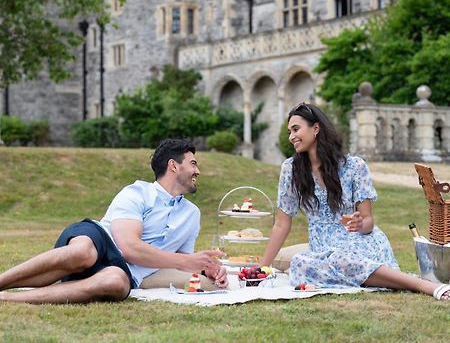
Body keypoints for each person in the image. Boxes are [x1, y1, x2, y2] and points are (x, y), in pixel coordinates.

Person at [0, 139, 228, 304]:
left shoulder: (192, 214)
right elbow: (128, 247)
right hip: (100, 239)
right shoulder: (137, 192)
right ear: (173, 165)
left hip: (124, 271)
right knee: (83, 253)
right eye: (193, 163)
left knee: (116, 284)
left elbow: (180, 261)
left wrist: (206, 269)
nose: (198, 170)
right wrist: (186, 261)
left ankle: (8, 298)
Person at [260, 102, 450, 301]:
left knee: (342, 259)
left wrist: (359, 224)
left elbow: (368, 222)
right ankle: (389, 279)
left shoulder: (354, 166)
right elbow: (282, 223)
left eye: (296, 129)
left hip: (359, 242)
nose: (291, 137)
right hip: (321, 250)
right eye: (290, 131)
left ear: (316, 128)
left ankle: (423, 285)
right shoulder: (291, 170)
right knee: (300, 263)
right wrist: (262, 269)